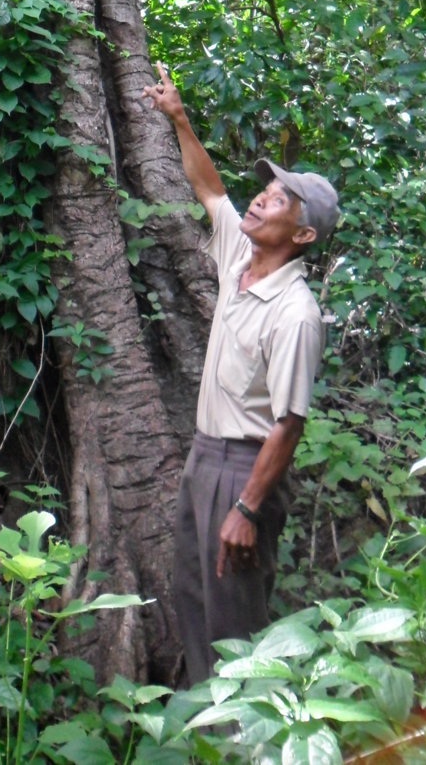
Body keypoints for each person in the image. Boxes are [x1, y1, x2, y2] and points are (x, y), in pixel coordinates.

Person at [142, 63, 339, 686]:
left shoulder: (295, 312)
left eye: (279, 199)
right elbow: (210, 193)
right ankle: (208, 730)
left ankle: (245, 742)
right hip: (204, 458)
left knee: (235, 623)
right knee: (195, 601)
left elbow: (289, 423)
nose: (261, 198)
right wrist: (178, 117)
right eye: (266, 191)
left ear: (303, 233)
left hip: (244, 470)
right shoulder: (241, 260)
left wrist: (248, 509)